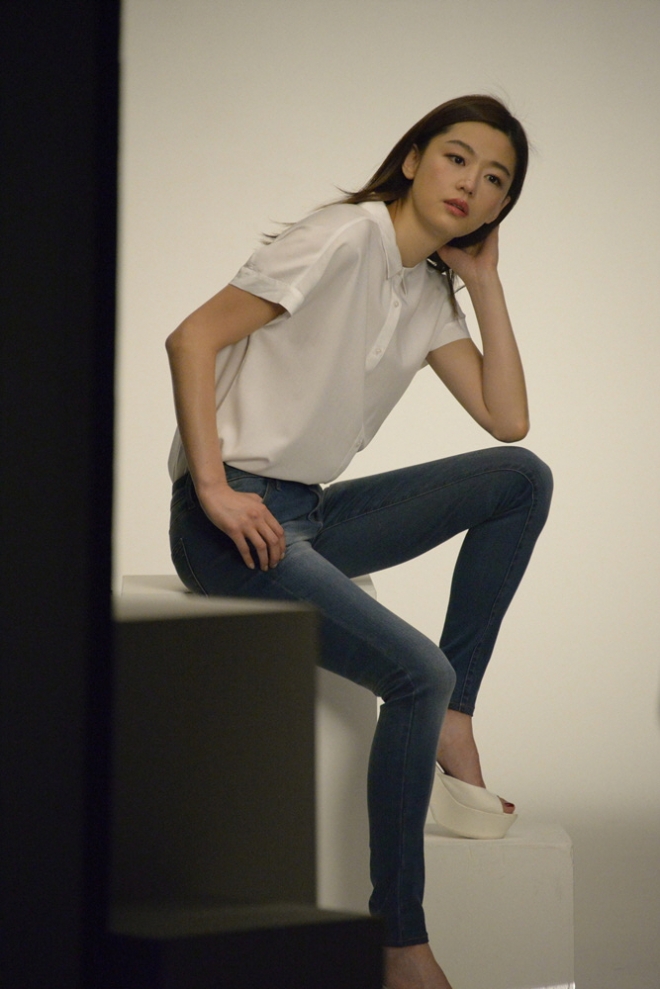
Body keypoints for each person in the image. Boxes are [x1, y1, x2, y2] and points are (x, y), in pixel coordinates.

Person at [165, 94, 553, 989]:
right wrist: (213, 487)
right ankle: (397, 943)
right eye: (457, 157)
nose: (472, 183)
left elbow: (507, 418)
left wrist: (485, 284)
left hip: (308, 512)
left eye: (495, 179)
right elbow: (193, 336)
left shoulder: (426, 292)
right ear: (413, 158)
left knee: (520, 478)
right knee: (416, 670)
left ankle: (456, 717)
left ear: (501, 207)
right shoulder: (343, 237)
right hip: (232, 526)